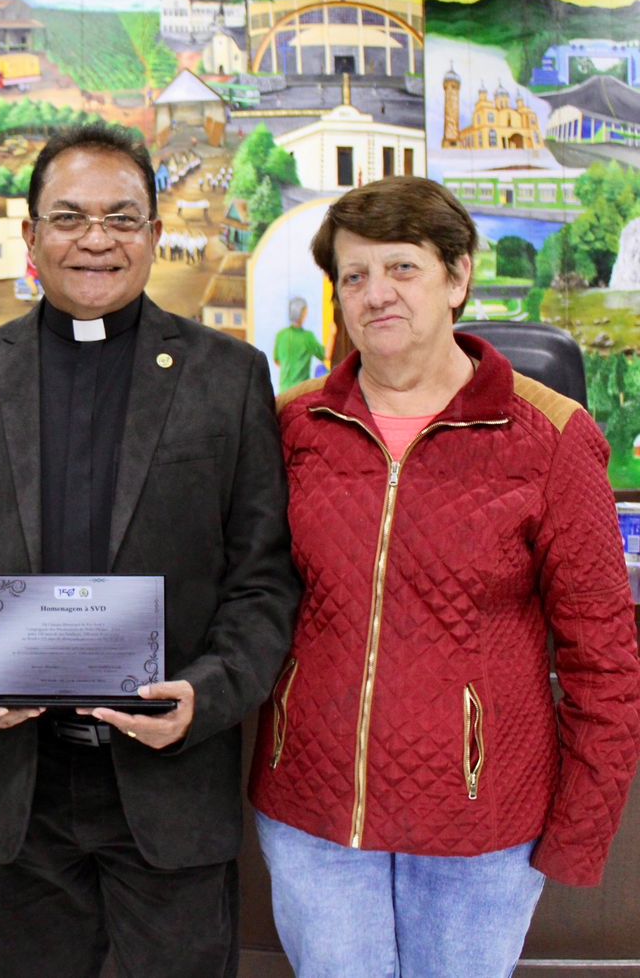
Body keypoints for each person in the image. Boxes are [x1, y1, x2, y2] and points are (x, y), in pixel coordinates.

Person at [0, 124, 299, 978]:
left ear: (154, 233)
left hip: (169, 776)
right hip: (18, 782)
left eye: (121, 218)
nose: (96, 240)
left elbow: (263, 579)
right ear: (32, 234)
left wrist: (207, 694)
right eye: (70, 217)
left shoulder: (227, 377)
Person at [249, 176, 640, 977]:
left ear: (457, 277)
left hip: (480, 823)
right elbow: (249, 591)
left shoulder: (551, 436)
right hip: (314, 809)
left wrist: (580, 830)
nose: (377, 293)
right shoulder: (295, 424)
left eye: (403, 267)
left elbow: (605, 657)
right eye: (354, 276)